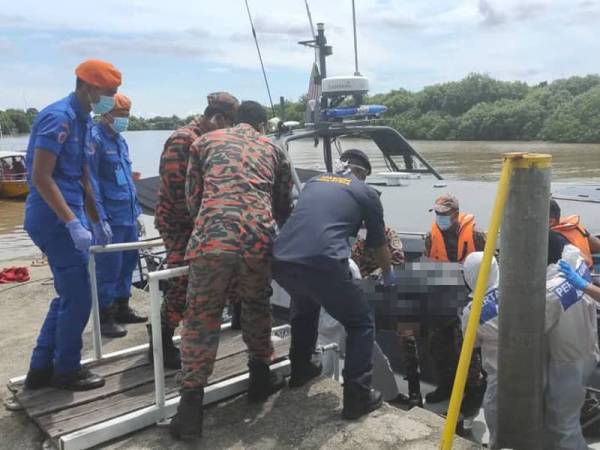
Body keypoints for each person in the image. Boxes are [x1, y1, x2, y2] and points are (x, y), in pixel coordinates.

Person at [169, 101, 293, 440]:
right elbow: (283, 204)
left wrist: (211, 228)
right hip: (257, 240)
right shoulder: (274, 148)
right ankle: (259, 380)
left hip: (212, 240)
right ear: (263, 125)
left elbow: (193, 198)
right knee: (256, 305)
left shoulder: (203, 142)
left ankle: (190, 413)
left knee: (201, 317)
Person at [272, 149, 396, 421]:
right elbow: (378, 245)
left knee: (304, 307)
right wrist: (388, 275)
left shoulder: (315, 182)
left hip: (281, 260)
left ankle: (301, 369)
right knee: (360, 322)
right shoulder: (366, 193)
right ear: (363, 173)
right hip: (323, 263)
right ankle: (357, 397)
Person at [23, 60, 121, 391]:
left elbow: (82, 176)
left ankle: (40, 369)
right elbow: (40, 176)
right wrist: (71, 223)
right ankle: (66, 370)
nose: (112, 98)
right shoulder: (58, 117)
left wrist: (96, 219)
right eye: (109, 92)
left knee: (69, 293)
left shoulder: (82, 120)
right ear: (89, 87)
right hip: (52, 218)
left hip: (71, 215)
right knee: (80, 296)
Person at [153, 92, 239, 368]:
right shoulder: (183, 140)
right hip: (179, 224)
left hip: (201, 223)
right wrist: (202, 225)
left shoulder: (208, 141)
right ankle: (162, 338)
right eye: (228, 125)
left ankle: (227, 323)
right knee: (181, 281)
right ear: (218, 119)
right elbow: (177, 191)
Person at [88, 93, 146, 338]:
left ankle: (123, 306)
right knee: (108, 268)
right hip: (110, 217)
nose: (125, 119)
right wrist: (98, 218)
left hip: (128, 214)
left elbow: (125, 179)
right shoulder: (95, 139)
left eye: (128, 115)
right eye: (122, 115)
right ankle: (106, 316)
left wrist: (138, 214)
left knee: (128, 264)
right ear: (107, 113)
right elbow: (90, 182)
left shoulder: (120, 140)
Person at [423, 194, 486, 404]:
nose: (440, 217)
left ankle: (473, 392)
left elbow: (490, 267)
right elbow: (429, 264)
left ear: (455, 214)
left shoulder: (476, 235)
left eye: (444, 213)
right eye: (437, 213)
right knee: (438, 345)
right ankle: (446, 386)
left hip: (468, 298)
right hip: (442, 296)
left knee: (468, 347)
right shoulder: (431, 236)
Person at [544, 233, 599, 450]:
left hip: (567, 364)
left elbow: (532, 332)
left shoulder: (550, 293)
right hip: (588, 349)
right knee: (571, 415)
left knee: (563, 424)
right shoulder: (576, 261)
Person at [550, 198, 600, 268]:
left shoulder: (554, 239)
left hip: (582, 273)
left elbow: (585, 262)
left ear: (551, 222)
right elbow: (597, 246)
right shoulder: (572, 226)